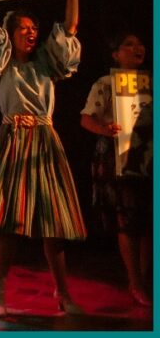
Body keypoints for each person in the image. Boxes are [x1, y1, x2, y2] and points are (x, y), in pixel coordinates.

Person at [0, 0, 86, 317]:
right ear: (11, 33)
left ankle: (63, 293)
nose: (31, 32)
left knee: (53, 223)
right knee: (10, 221)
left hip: (45, 142)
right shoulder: (2, 63)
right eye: (23, 28)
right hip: (14, 140)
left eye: (33, 28)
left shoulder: (46, 62)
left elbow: (70, 27)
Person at [79, 32, 152, 306]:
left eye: (139, 43)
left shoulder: (150, 83)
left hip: (146, 155)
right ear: (115, 54)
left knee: (147, 220)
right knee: (127, 218)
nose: (137, 48)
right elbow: (86, 119)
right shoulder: (106, 83)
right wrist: (105, 129)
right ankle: (135, 281)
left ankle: (143, 279)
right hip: (118, 155)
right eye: (128, 45)